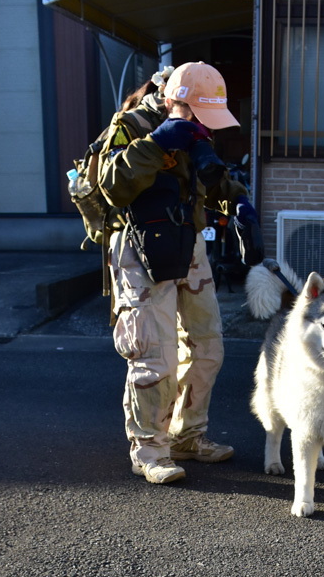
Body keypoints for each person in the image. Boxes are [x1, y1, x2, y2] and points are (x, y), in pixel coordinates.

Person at [98, 62, 255, 484]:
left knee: (208, 347)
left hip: (188, 242)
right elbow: (110, 186)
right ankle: (149, 450)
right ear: (174, 101)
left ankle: (187, 436)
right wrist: (156, 142)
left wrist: (240, 203)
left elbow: (209, 178)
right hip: (140, 247)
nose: (206, 127)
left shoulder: (195, 128)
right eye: (199, 116)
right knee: (156, 355)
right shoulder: (131, 126)